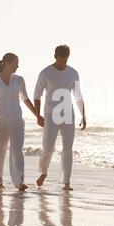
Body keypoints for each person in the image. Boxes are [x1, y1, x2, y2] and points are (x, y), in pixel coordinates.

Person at [0, 52, 44, 191]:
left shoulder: (19, 80)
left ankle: (19, 182)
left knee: (17, 151)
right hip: (0, 120)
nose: (17, 66)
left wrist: (37, 115)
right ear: (6, 63)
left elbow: (25, 99)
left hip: (16, 120)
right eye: (15, 63)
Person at [33, 45, 86, 191]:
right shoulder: (45, 73)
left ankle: (66, 182)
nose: (62, 63)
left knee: (68, 149)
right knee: (48, 147)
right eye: (60, 60)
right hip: (51, 114)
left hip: (68, 114)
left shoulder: (73, 73)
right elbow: (37, 95)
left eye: (65, 60)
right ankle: (43, 172)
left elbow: (78, 95)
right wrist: (38, 115)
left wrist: (83, 114)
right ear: (55, 56)